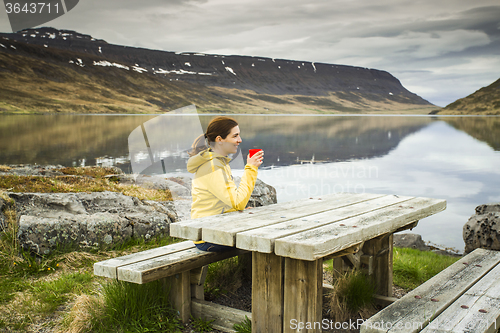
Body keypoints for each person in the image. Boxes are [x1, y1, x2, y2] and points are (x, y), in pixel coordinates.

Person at [187, 116, 264, 252]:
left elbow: (223, 201)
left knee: (261, 228)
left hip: (213, 228)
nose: (239, 140)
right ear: (219, 140)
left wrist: (234, 211)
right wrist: (251, 168)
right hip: (208, 237)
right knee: (262, 237)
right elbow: (238, 202)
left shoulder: (218, 162)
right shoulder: (214, 167)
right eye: (235, 136)